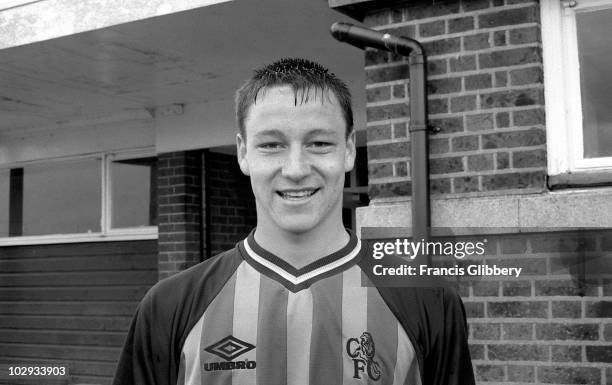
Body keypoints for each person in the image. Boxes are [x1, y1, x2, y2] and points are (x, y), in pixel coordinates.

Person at [112, 57, 475, 385]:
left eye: (319, 143)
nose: (296, 169)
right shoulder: (170, 306)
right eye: (272, 145)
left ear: (349, 149)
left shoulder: (428, 300)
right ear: (243, 153)